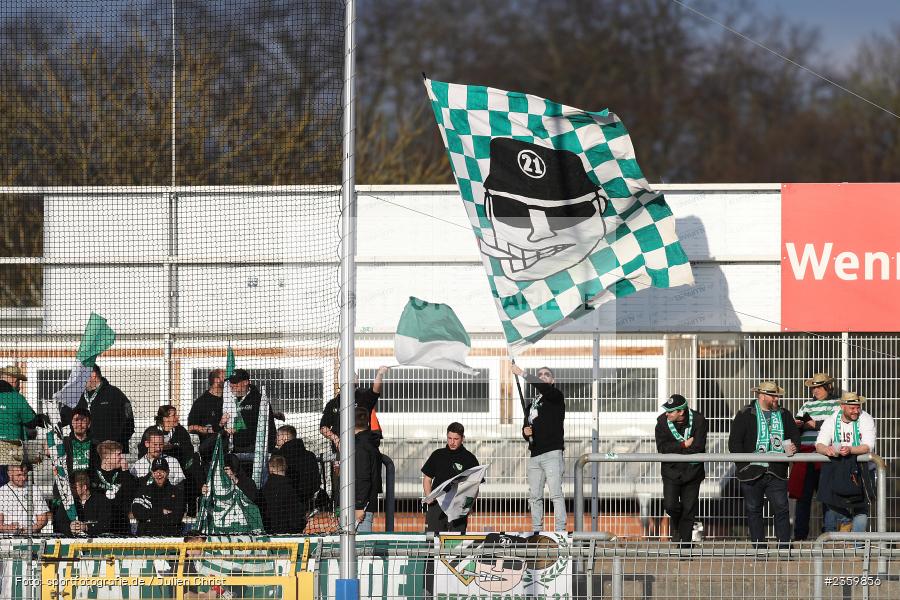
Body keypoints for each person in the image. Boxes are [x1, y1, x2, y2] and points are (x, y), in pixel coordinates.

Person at [728, 381, 800, 548]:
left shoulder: (783, 414)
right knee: (754, 510)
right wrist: (744, 466)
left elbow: (794, 437)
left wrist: (791, 448)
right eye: (773, 395)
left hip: (777, 471)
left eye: (777, 395)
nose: (776, 398)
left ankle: (784, 548)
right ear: (761, 396)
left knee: (782, 509)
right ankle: (759, 548)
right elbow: (735, 443)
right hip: (751, 471)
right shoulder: (745, 413)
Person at [511, 364, 566, 532]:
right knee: (534, 496)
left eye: (546, 374)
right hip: (535, 455)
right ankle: (536, 530)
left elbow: (544, 388)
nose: (542, 376)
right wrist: (525, 432)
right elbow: (526, 429)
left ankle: (560, 530)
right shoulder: (531, 405)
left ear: (552, 380)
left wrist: (523, 373)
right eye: (540, 374)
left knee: (555, 494)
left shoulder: (555, 396)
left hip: (552, 453)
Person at [815, 391, 877, 533]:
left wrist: (850, 449)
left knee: (861, 507)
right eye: (852, 408)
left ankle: (857, 547)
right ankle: (845, 522)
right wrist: (827, 450)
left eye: (858, 407)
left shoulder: (866, 418)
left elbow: (868, 446)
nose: (856, 411)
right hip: (839, 468)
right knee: (830, 500)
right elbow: (819, 444)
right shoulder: (831, 419)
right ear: (842, 406)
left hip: (862, 468)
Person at [790, 372, 840, 541]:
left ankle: (829, 534)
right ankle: (800, 535)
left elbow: (837, 426)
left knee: (828, 497)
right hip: (806, 457)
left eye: (818, 387)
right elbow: (795, 427)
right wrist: (800, 425)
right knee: (803, 498)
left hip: (826, 457)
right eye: (813, 388)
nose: (814, 391)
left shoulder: (837, 405)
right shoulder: (806, 406)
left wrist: (815, 424)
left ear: (828, 387)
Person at [655, 394, 707, 545]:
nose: (667, 414)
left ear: (681, 412)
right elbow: (662, 448)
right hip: (671, 471)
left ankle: (685, 546)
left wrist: (677, 451)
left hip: (692, 471)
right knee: (670, 506)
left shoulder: (699, 420)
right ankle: (677, 526)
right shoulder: (662, 423)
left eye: (671, 412)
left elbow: (698, 447)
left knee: (689, 509)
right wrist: (683, 445)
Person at [422, 422, 480, 533]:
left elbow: (474, 486)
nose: (452, 442)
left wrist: (468, 506)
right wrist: (429, 497)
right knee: (433, 541)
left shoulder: (469, 458)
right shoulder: (437, 455)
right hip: (437, 504)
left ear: (463, 438)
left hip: (458, 505)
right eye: (449, 438)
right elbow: (427, 478)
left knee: (456, 543)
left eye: (456, 439)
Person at [320, 366, 388, 453]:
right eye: (353, 376)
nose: (356, 378)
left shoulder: (363, 397)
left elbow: (375, 390)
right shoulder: (333, 403)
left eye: (355, 376)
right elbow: (323, 427)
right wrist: (335, 438)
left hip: (362, 448)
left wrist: (379, 374)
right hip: (340, 451)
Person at [72, 365, 135, 453]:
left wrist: (115, 443)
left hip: (111, 453)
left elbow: (129, 422)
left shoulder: (116, 394)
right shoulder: (78, 397)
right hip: (85, 451)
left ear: (93, 375)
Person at [228, 369, 276, 476]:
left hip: (253, 452)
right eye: (231, 382)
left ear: (246, 382)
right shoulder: (229, 400)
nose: (232, 385)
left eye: (235, 382)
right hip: (233, 450)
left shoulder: (258, 400)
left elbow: (267, 425)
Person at [0, 365, 50, 465]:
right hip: (11, 454)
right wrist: (41, 418)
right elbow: (31, 422)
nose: (19, 386)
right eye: (19, 381)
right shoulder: (17, 398)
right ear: (14, 380)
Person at [91, 441, 138, 536]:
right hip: (100, 525)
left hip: (121, 524)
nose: (122, 458)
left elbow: (131, 493)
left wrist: (125, 471)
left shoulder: (123, 474)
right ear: (107, 458)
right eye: (118, 454)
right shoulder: (92, 475)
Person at [131, 457, 185, 536]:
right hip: (145, 538)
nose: (159, 474)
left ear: (168, 472)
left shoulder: (177, 492)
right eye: (156, 471)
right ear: (152, 473)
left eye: (162, 471)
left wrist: (150, 516)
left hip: (170, 539)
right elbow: (138, 513)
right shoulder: (143, 491)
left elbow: (176, 518)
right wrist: (162, 512)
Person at [271, 425, 320, 511]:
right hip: (307, 503)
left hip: (285, 505)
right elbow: (316, 482)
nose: (276, 440)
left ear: (284, 438)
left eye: (277, 436)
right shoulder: (310, 456)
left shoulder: (279, 457)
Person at [187, 368, 230, 464]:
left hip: (228, 450)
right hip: (210, 452)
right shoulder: (201, 402)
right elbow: (190, 427)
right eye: (225, 378)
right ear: (216, 380)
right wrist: (207, 430)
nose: (228, 381)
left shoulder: (229, 399)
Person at [53, 470, 111, 537]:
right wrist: (69, 528)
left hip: (97, 541)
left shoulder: (101, 501)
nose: (71, 490)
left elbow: (106, 524)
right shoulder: (67, 501)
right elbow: (60, 522)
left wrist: (86, 527)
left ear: (84, 487)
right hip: (73, 541)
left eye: (74, 487)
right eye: (70, 487)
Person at [260, 455, 307, 534]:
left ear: (270, 468)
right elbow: (296, 515)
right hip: (287, 534)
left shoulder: (265, 489)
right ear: (285, 468)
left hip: (268, 532)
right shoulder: (289, 489)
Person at [354, 407, 382, 532]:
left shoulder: (360, 446)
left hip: (361, 505)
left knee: (361, 547)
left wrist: (360, 505)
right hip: (366, 502)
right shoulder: (369, 442)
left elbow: (363, 476)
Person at [0, 464, 51, 534]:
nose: (23, 478)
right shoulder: (2, 492)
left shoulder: (34, 489)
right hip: (8, 538)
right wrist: (9, 528)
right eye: (19, 475)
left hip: (31, 536)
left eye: (25, 474)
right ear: (9, 474)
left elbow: (43, 519)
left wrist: (32, 529)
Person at [63, 407, 100, 473]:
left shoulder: (96, 444)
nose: (79, 424)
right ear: (72, 422)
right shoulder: (64, 443)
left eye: (83, 420)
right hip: (69, 482)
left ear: (89, 424)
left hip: (89, 482)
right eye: (76, 420)